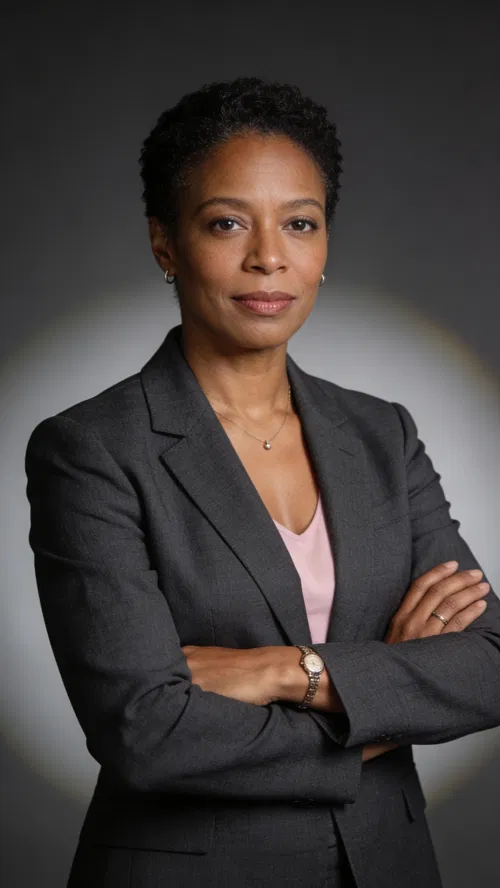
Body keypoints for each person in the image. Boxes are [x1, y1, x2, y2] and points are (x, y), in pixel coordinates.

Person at [25, 76, 500, 888]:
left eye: (300, 224)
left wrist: (292, 671)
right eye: (226, 222)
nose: (268, 256)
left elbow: (486, 664)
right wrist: (381, 691)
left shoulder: (382, 433)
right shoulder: (92, 449)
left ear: (324, 246)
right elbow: (151, 732)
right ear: (165, 244)